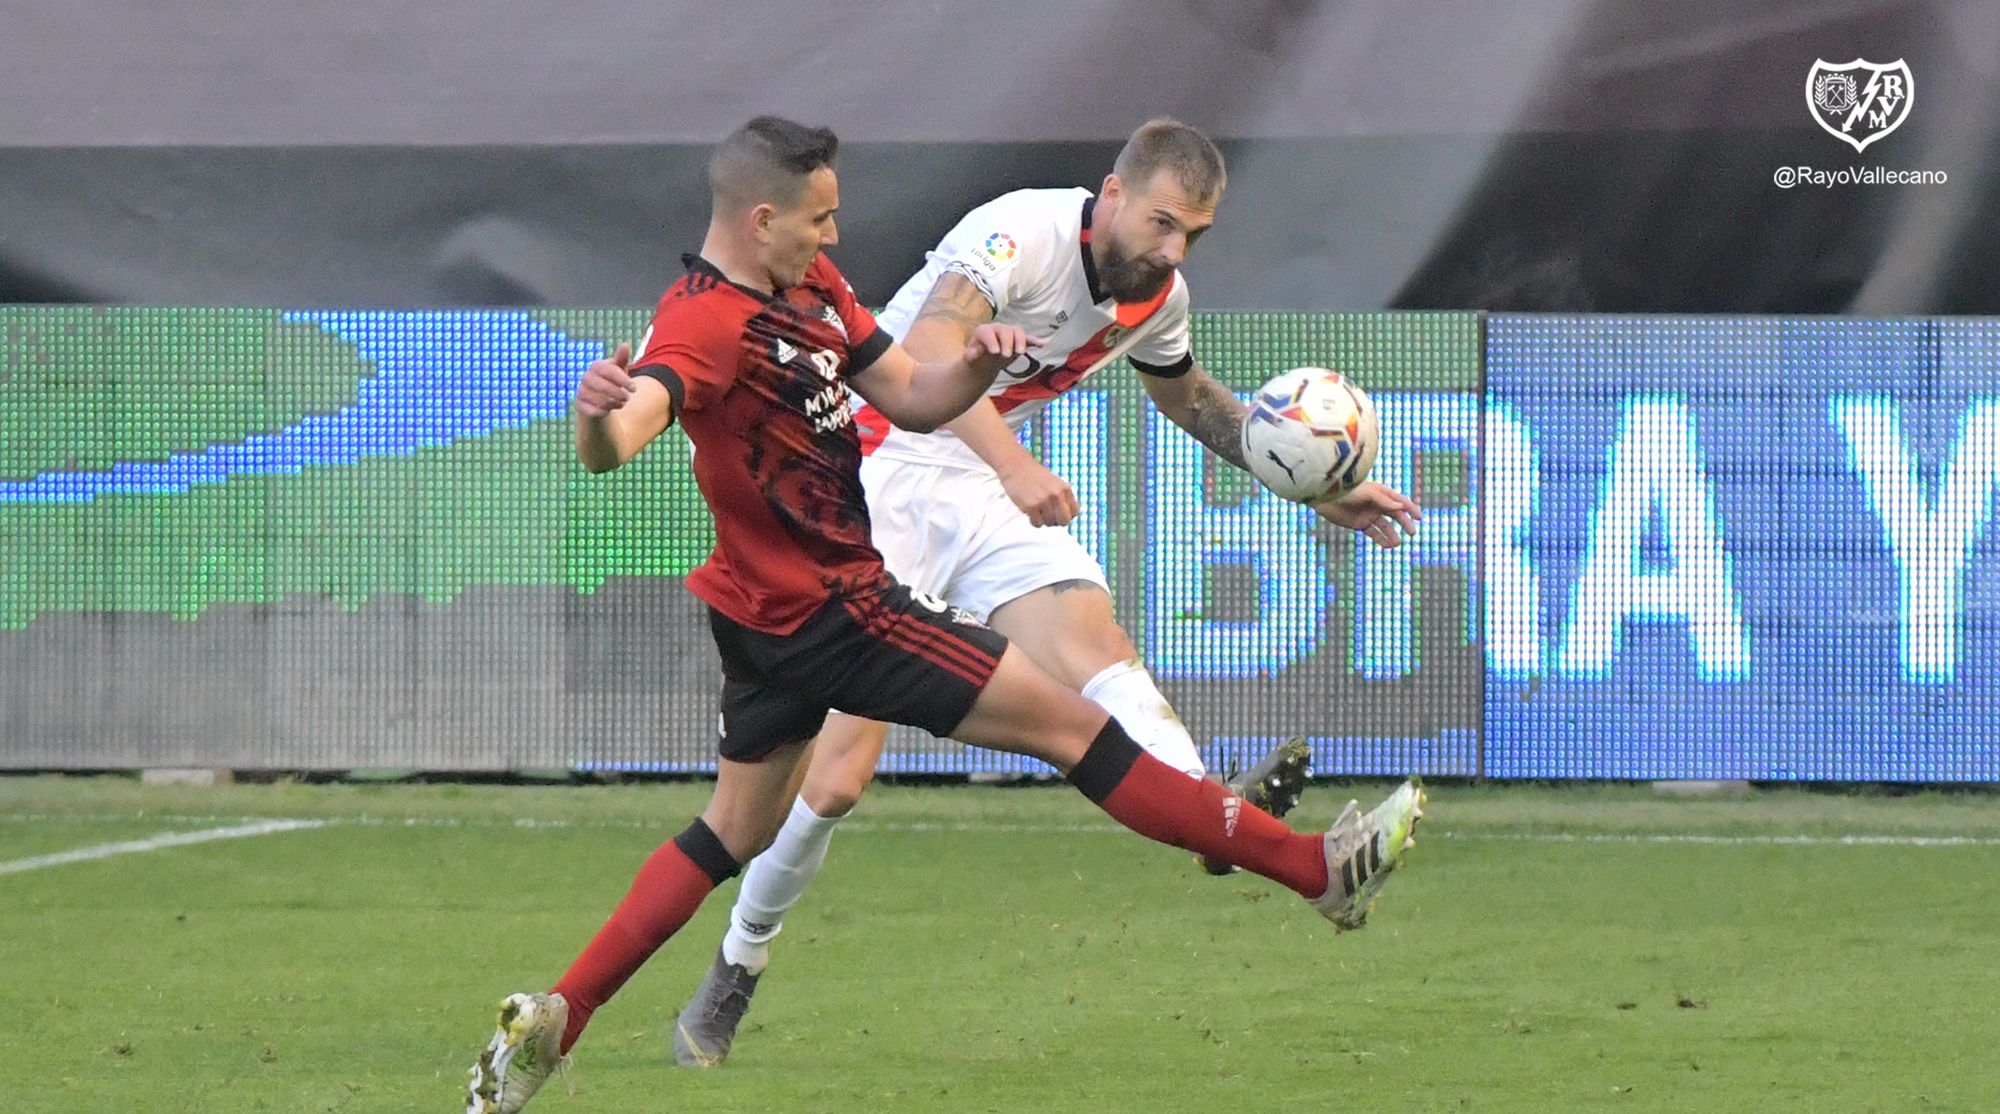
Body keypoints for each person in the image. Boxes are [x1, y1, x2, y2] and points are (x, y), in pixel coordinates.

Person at [463, 116, 1424, 1114]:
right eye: (820, 219)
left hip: (806, 579)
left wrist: (1309, 487)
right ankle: (1300, 866)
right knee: (891, 770)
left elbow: (949, 383)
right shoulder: (1000, 239)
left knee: (754, 815)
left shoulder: (824, 290)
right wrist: (595, 416)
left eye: (1195, 234)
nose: (837, 238)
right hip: (859, 549)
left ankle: (555, 1018)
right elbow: (653, 425)